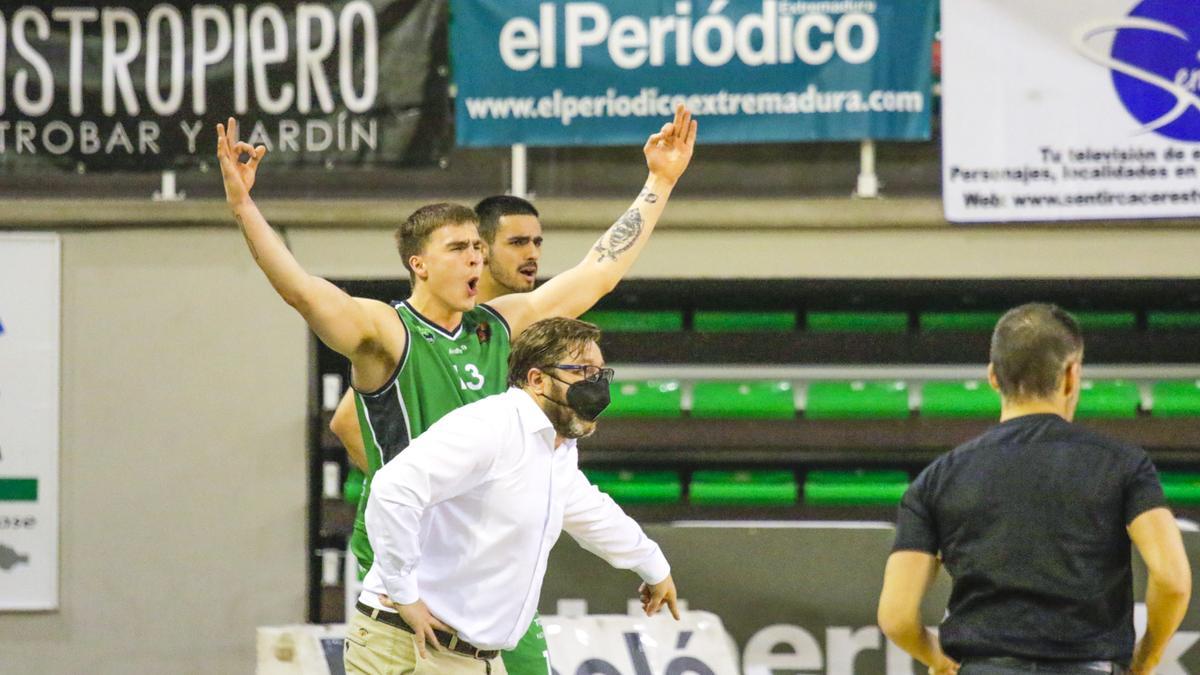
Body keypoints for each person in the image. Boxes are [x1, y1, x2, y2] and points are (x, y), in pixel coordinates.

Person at [216, 106, 696, 673]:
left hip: (478, 563)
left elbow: (599, 271)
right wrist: (244, 206)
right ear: (418, 264)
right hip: (414, 562)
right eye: (459, 249)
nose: (476, 257)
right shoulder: (387, 332)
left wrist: (658, 182)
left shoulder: (498, 325)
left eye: (477, 247)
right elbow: (304, 293)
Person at [348, 317, 679, 674]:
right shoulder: (491, 426)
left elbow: (593, 512)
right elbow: (393, 488)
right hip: (412, 646)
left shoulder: (555, 448)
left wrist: (654, 566)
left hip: (472, 658)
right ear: (537, 379)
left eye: (600, 372)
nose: (596, 384)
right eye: (582, 371)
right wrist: (403, 592)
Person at [878, 303, 1191, 675]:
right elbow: (1172, 579)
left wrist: (938, 660)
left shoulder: (935, 479)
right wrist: (1146, 659)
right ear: (1072, 375)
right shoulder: (1123, 464)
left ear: (994, 377)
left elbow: (895, 616)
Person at [330, 194, 544, 473]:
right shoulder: (424, 323)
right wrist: (407, 493)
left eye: (537, 242)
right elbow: (346, 422)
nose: (532, 254)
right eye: (517, 243)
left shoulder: (504, 322)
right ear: (486, 251)